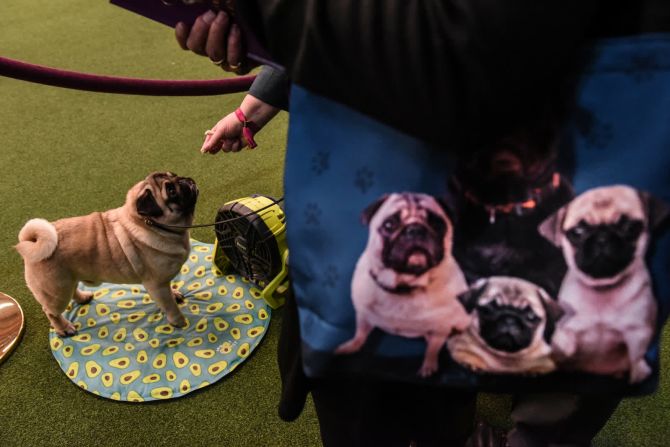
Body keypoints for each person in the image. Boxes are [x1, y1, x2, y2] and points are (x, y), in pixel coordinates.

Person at [175, 2, 670, 446]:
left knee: (556, 362)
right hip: (408, 178)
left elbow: (462, 53)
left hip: (532, 158)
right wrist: (257, 83)